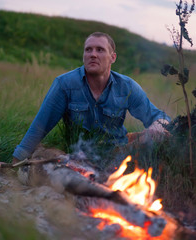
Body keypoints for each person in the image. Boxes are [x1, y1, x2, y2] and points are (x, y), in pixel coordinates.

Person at [12, 32, 170, 163]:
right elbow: (39, 127)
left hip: (120, 154)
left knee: (155, 137)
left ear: (112, 57)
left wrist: (158, 126)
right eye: (88, 50)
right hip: (77, 157)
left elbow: (159, 117)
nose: (93, 54)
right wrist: (14, 163)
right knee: (47, 158)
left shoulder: (127, 86)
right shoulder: (65, 84)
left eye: (100, 50)